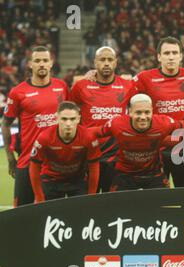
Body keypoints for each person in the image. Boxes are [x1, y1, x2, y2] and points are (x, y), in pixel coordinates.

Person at [1, 46, 69, 207]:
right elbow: (5, 124)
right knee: (22, 211)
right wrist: (10, 158)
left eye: (45, 60)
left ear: (51, 63)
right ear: (30, 64)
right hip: (28, 160)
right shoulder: (18, 92)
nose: (42, 64)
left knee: (54, 212)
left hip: (56, 162)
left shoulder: (62, 87)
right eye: (37, 61)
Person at [132, 37, 184, 188]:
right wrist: (94, 75)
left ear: (181, 56)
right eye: (167, 53)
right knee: (158, 198)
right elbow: (121, 87)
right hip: (157, 149)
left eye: (175, 52)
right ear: (159, 56)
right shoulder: (145, 78)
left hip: (183, 148)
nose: (171, 56)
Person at [71, 46, 135, 193]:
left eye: (110, 60)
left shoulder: (128, 85)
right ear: (95, 62)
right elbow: (70, 113)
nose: (106, 63)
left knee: (112, 205)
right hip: (88, 155)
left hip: (116, 157)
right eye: (102, 60)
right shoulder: (81, 86)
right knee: (87, 204)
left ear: (116, 62)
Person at [90, 94, 181, 191]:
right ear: (130, 112)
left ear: (152, 111)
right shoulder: (117, 124)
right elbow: (95, 132)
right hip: (124, 175)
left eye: (147, 112)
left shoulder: (163, 123)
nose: (143, 117)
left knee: (165, 204)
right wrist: (78, 137)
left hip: (153, 174)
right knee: (116, 205)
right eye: (138, 112)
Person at [29, 102, 101, 202]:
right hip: (51, 180)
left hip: (77, 180)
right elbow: (34, 167)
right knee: (49, 216)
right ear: (57, 118)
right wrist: (39, 196)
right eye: (64, 119)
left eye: (72, 119)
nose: (68, 124)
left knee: (80, 215)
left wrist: (92, 195)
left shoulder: (88, 138)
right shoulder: (44, 138)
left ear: (78, 119)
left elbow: (94, 168)